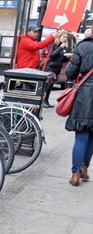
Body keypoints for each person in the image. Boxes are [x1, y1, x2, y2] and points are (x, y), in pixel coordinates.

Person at [64, 31, 93, 186]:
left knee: (81, 136)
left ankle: (75, 174)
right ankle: (84, 168)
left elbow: (70, 72)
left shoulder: (83, 46)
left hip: (85, 94)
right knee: (92, 136)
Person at [42, 31, 72, 108]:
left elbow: (61, 59)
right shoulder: (53, 45)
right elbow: (51, 55)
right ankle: (42, 99)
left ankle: (46, 100)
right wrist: (60, 48)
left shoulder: (64, 47)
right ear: (59, 37)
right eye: (64, 37)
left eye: (66, 38)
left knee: (51, 84)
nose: (65, 39)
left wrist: (67, 57)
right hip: (49, 67)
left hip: (56, 68)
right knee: (50, 81)